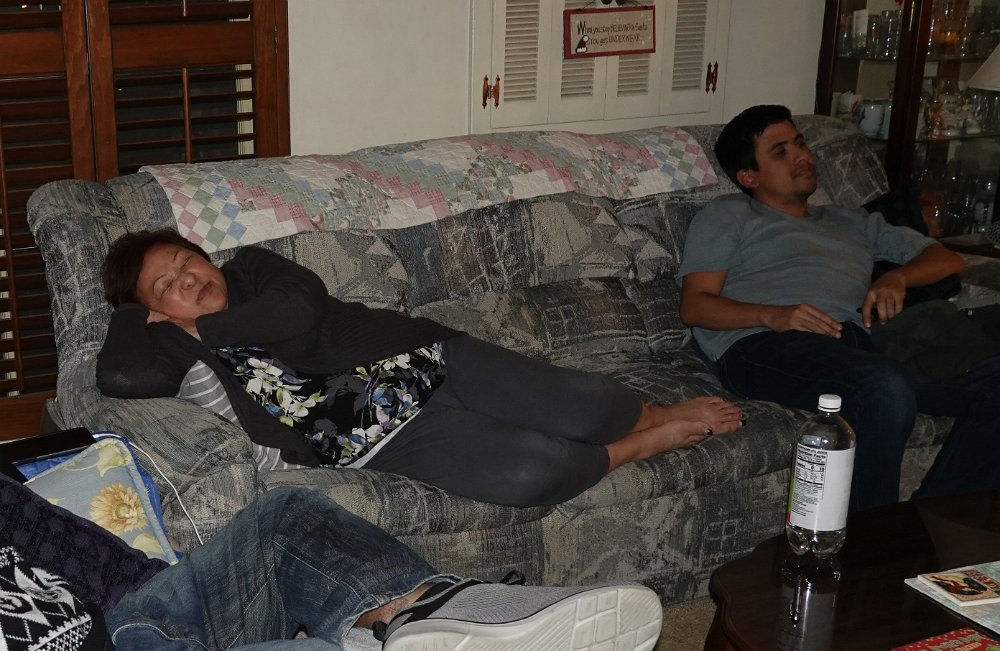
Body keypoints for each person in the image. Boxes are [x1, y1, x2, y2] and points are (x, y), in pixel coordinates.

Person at [96, 231, 743, 508]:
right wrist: (129, 313)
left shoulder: (251, 269)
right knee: (530, 472)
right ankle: (642, 443)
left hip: (431, 360)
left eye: (185, 261)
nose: (188, 279)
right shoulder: (170, 344)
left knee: (589, 405)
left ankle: (651, 412)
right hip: (378, 437)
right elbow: (121, 378)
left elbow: (301, 306)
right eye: (166, 286)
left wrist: (201, 324)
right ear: (152, 309)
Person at [677, 104, 1000, 512]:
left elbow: (946, 259)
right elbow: (695, 306)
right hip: (764, 342)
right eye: (780, 152)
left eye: (800, 143)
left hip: (854, 342)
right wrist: (774, 315)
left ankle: (928, 523)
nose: (802, 156)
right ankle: (875, 541)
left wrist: (897, 278)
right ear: (749, 177)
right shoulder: (728, 214)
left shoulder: (852, 220)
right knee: (882, 389)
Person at [0, 469, 663, 650]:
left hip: (142, 607)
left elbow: (69, 543)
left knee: (285, 514)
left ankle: (422, 607)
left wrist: (165, 585)